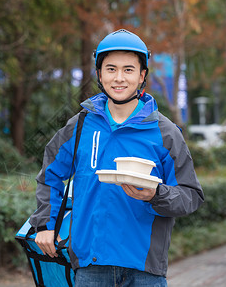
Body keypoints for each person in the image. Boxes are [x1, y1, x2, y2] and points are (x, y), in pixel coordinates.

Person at [29, 29, 204, 286]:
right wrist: (44, 224)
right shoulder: (80, 125)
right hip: (91, 267)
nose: (119, 78)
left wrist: (156, 194)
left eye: (128, 70)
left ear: (142, 75)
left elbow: (191, 196)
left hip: (145, 270)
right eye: (111, 69)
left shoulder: (165, 133)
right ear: (99, 74)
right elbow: (50, 174)